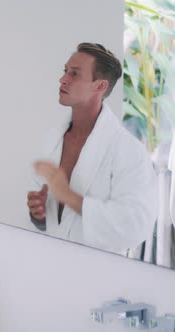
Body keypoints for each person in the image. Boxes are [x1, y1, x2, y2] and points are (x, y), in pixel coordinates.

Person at [27, 42, 158, 253]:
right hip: (51, 266)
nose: (63, 79)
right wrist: (39, 215)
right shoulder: (52, 140)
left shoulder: (128, 151)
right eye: (65, 71)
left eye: (75, 74)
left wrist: (67, 195)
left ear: (100, 86)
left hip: (100, 275)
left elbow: (135, 226)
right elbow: (52, 226)